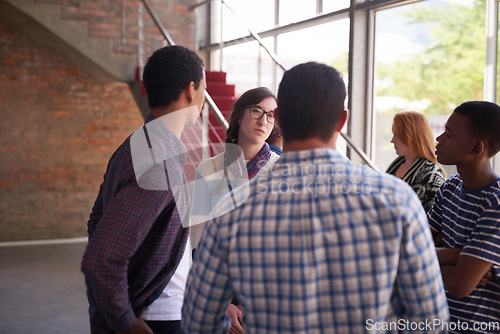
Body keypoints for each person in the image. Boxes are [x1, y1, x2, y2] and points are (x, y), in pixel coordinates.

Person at [181, 62, 449, 333]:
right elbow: (431, 321)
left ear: (280, 119)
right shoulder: (397, 200)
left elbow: (198, 320)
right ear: (342, 120)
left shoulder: (233, 211)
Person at [81, 45, 205, 334]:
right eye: (202, 89)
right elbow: (101, 259)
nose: (203, 99)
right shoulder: (159, 161)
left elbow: (96, 220)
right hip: (156, 317)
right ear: (190, 90)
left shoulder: (138, 145)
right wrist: (125, 321)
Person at [190, 87, 279, 334]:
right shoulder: (209, 169)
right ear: (239, 115)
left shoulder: (283, 171)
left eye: (271, 115)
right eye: (257, 111)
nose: (264, 120)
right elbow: (197, 243)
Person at [427, 101, 500, 332]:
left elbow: (460, 285)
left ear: (476, 148)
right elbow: (409, 247)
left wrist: (421, 256)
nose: (438, 139)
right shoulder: (449, 188)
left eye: (448, 134)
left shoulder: (495, 203)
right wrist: (456, 255)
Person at [385, 111, 445, 212]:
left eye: (396, 135)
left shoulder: (432, 174)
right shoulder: (396, 164)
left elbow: (435, 219)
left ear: (410, 136)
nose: (392, 140)